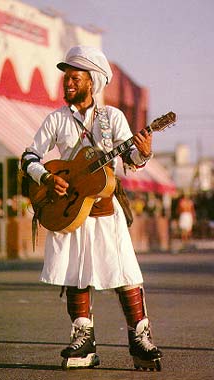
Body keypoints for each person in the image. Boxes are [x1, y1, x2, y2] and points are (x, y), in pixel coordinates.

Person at [21, 45, 162, 371]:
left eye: (75, 78)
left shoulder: (112, 117)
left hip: (104, 212)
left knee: (125, 272)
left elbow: (132, 160)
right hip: (69, 212)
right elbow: (29, 157)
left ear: (92, 81)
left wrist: (144, 151)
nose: (68, 83)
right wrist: (46, 176)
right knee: (74, 274)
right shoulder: (55, 119)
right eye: (66, 78)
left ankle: (139, 336)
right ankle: (83, 339)